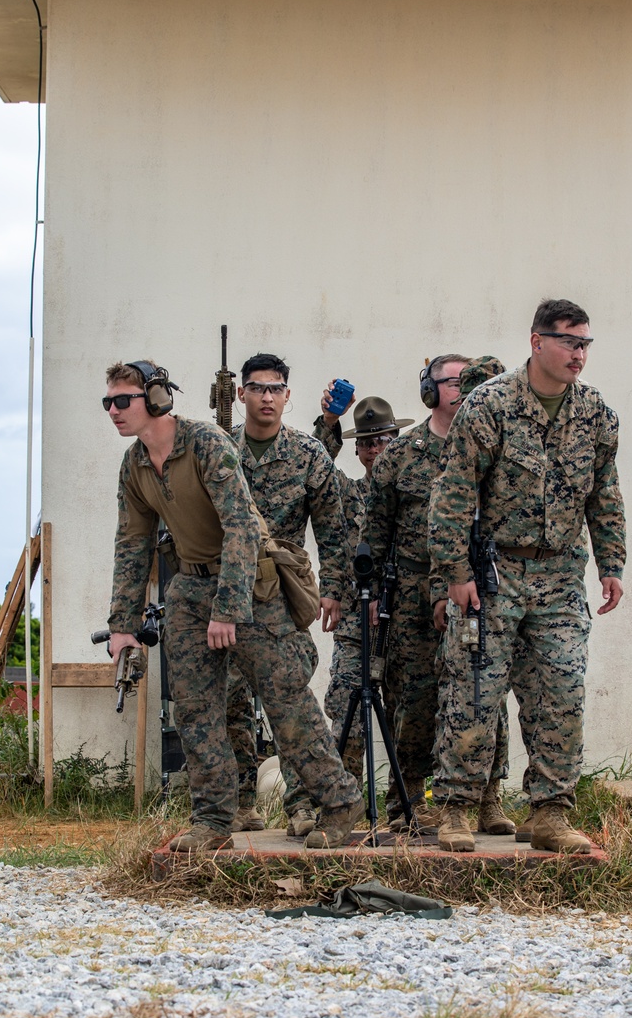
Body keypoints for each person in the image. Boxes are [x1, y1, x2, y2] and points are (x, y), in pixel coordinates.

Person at [104, 358, 364, 851]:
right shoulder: (135, 464)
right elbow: (132, 544)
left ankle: (338, 800)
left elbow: (243, 526)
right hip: (190, 587)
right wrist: (123, 625)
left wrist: (229, 608)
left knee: (287, 698)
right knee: (197, 709)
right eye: (108, 403)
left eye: (124, 401)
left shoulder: (206, 444)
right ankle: (214, 819)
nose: (114, 411)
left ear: (157, 399)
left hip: (252, 586)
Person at [429, 300, 626, 854]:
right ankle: (457, 808)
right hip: (495, 573)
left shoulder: (596, 415)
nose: (578, 354)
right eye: (568, 342)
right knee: (474, 688)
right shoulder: (490, 406)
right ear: (537, 342)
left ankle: (550, 813)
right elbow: (453, 493)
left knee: (561, 691)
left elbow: (604, 493)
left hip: (562, 574)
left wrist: (611, 564)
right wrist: (455, 571)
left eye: (585, 343)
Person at [360, 353, 516, 844]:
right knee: (414, 699)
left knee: (483, 694)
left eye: (470, 382)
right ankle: (407, 803)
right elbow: (374, 529)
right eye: (452, 381)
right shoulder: (401, 456)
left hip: (477, 585)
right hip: (409, 594)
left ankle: (486, 797)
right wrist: (365, 593)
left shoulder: (494, 448)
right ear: (430, 390)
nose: (463, 389)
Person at [226, 352, 350, 839]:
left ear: (287, 396)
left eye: (276, 389)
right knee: (230, 696)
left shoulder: (307, 454)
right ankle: (238, 803)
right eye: (257, 388)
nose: (267, 398)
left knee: (290, 702)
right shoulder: (220, 452)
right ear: (241, 395)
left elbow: (333, 531)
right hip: (230, 591)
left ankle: (303, 804)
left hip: (283, 590)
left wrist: (334, 590)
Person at [314, 392, 413, 784]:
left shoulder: (416, 495)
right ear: (357, 451)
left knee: (408, 719)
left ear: (397, 443)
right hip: (358, 626)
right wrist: (329, 421)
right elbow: (313, 464)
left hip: (407, 624)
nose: (375, 449)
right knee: (348, 714)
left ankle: (406, 806)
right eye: (367, 442)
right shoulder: (347, 493)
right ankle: (348, 800)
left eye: (384, 440)